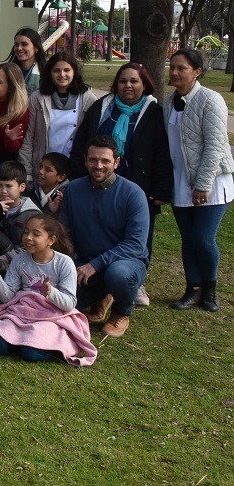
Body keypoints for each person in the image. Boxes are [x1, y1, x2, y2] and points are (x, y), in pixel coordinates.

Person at [70, 61, 171, 307]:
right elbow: (82, 142)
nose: (128, 85)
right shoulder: (101, 108)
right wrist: (75, 178)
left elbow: (162, 152)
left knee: (137, 236)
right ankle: (101, 282)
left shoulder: (153, 113)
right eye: (123, 81)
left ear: (144, 84)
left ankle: (133, 280)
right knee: (100, 230)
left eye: (134, 81)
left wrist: (160, 188)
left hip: (139, 185)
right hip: (99, 179)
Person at [0, 214, 96, 366]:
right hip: (22, 312)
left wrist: (51, 293)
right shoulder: (20, 259)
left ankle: (46, 345)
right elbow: (7, 298)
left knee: (30, 353)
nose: (28, 237)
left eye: (36, 234)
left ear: (51, 240)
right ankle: (23, 339)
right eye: (26, 232)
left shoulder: (64, 263)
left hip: (51, 316)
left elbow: (69, 303)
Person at [51, 135, 150, 337]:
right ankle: (101, 296)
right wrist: (68, 267)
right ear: (85, 160)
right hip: (85, 264)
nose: (98, 166)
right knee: (59, 304)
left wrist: (96, 264)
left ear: (116, 162)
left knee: (118, 275)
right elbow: (64, 236)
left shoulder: (133, 194)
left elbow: (136, 244)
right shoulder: (72, 191)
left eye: (105, 160)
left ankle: (122, 312)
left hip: (125, 262)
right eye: (93, 160)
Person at [162, 49, 233, 312]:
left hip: (211, 183)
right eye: (172, 67)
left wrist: (203, 184)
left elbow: (215, 145)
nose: (175, 72)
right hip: (181, 181)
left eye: (181, 68)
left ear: (197, 72)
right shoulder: (169, 102)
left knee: (203, 239)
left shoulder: (210, 99)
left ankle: (210, 288)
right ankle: (192, 289)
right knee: (187, 238)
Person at [20, 53, 96, 186]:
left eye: (67, 70)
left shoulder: (87, 99)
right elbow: (29, 138)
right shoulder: (37, 98)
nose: (62, 75)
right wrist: (27, 173)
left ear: (75, 72)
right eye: (56, 70)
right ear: (49, 73)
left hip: (75, 169)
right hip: (44, 169)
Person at [0, 160, 40, 247]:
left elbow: (27, 247)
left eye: (8, 186)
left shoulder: (31, 214)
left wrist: (1, 260)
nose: (3, 191)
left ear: (22, 187)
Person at [8, 28, 46, 95]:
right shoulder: (8, 72)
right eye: (16, 44)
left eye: (24, 44)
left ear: (36, 48)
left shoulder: (46, 73)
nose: (19, 48)